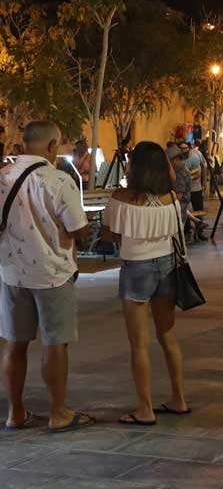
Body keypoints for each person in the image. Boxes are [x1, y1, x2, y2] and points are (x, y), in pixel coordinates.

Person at [0, 121, 94, 432]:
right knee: (56, 344)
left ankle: (15, 413)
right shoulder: (58, 180)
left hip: (12, 273)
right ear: (52, 146)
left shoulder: (2, 177)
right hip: (52, 272)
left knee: (15, 344)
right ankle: (58, 412)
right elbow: (78, 229)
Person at [101, 142, 190, 425]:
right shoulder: (171, 198)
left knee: (138, 344)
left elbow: (108, 233)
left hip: (136, 267)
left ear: (135, 166)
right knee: (167, 336)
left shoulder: (121, 197)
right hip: (167, 266)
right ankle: (179, 399)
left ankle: (145, 409)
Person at [184, 141, 207, 214]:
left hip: (196, 188)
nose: (183, 150)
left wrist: (204, 180)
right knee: (184, 211)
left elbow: (204, 166)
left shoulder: (197, 153)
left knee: (198, 210)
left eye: (185, 148)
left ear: (190, 148)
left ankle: (199, 223)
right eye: (181, 148)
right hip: (184, 189)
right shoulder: (179, 157)